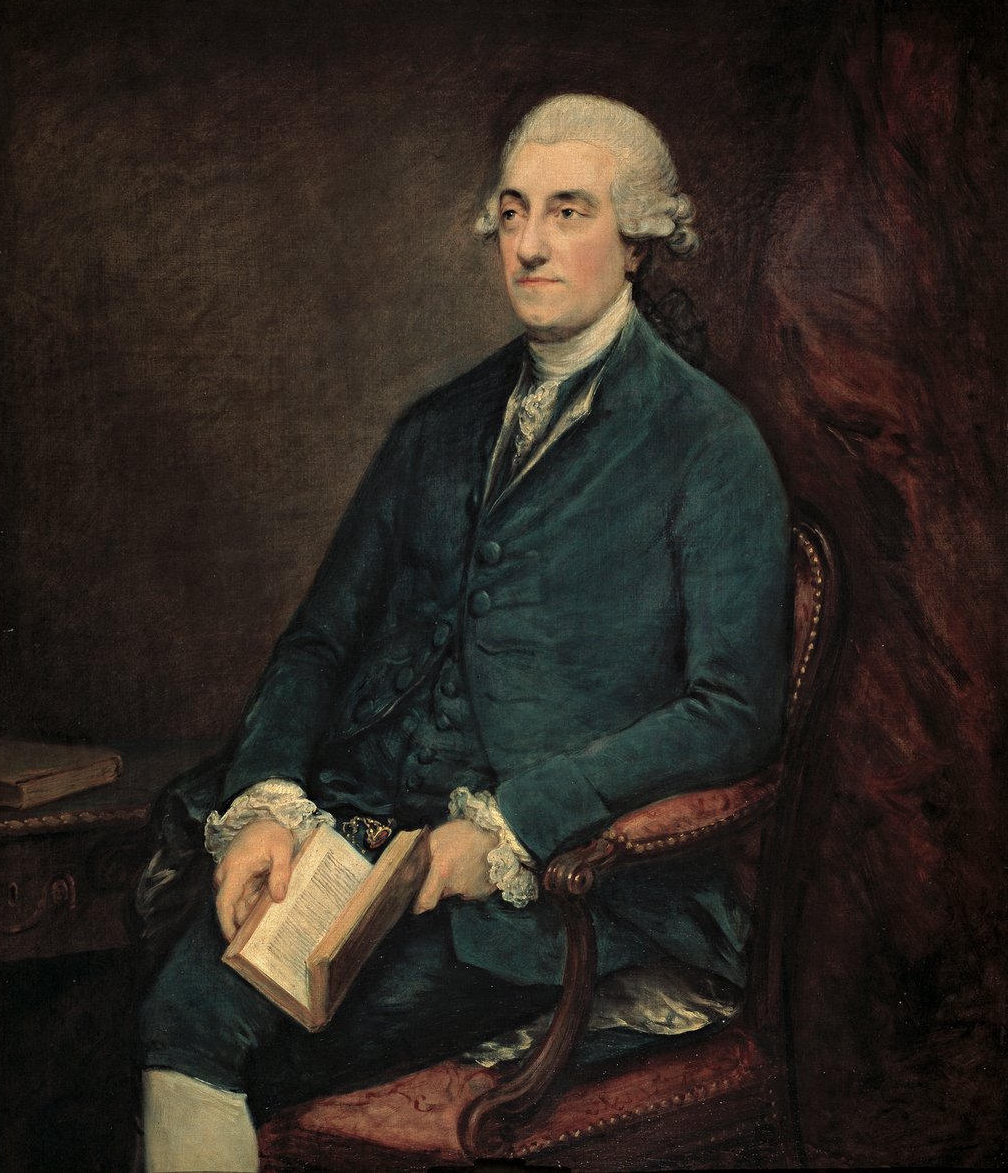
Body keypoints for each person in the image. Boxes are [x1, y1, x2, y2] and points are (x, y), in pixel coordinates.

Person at [138, 93, 791, 1171]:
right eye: (513, 210)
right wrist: (265, 803)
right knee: (184, 1014)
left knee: (261, 1047)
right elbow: (318, 644)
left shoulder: (708, 445)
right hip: (350, 849)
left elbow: (733, 713)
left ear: (637, 241)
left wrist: (513, 829)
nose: (527, 244)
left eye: (568, 212)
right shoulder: (436, 428)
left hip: (560, 906)